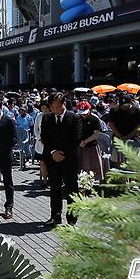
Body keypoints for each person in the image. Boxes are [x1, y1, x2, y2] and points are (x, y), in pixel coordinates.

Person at [41, 93, 82, 226]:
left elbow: (76, 139)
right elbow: (44, 137)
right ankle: (55, 216)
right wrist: (53, 152)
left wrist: (62, 153)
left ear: (64, 104)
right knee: (54, 188)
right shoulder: (47, 118)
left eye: (58, 107)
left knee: (72, 189)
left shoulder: (74, 118)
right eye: (52, 107)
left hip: (69, 159)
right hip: (53, 159)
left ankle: (72, 219)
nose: (55, 110)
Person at [108, 95, 140, 165]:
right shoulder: (114, 110)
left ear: (130, 103)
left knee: (132, 161)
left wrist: (128, 136)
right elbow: (111, 124)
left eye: (126, 105)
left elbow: (139, 126)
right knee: (117, 161)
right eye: (122, 105)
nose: (124, 107)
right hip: (118, 139)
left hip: (133, 139)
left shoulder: (136, 111)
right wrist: (120, 136)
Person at [76, 101, 105, 181]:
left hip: (91, 146)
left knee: (93, 166)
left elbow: (96, 134)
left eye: (85, 113)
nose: (83, 115)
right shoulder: (77, 119)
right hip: (79, 146)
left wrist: (85, 141)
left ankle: (95, 181)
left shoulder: (94, 119)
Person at [33, 101, 49, 188]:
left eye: (46, 108)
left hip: (50, 143)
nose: (44, 110)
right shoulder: (39, 116)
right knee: (42, 162)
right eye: (43, 108)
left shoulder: (52, 115)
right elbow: (36, 128)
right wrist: (39, 138)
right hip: (41, 142)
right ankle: (45, 181)